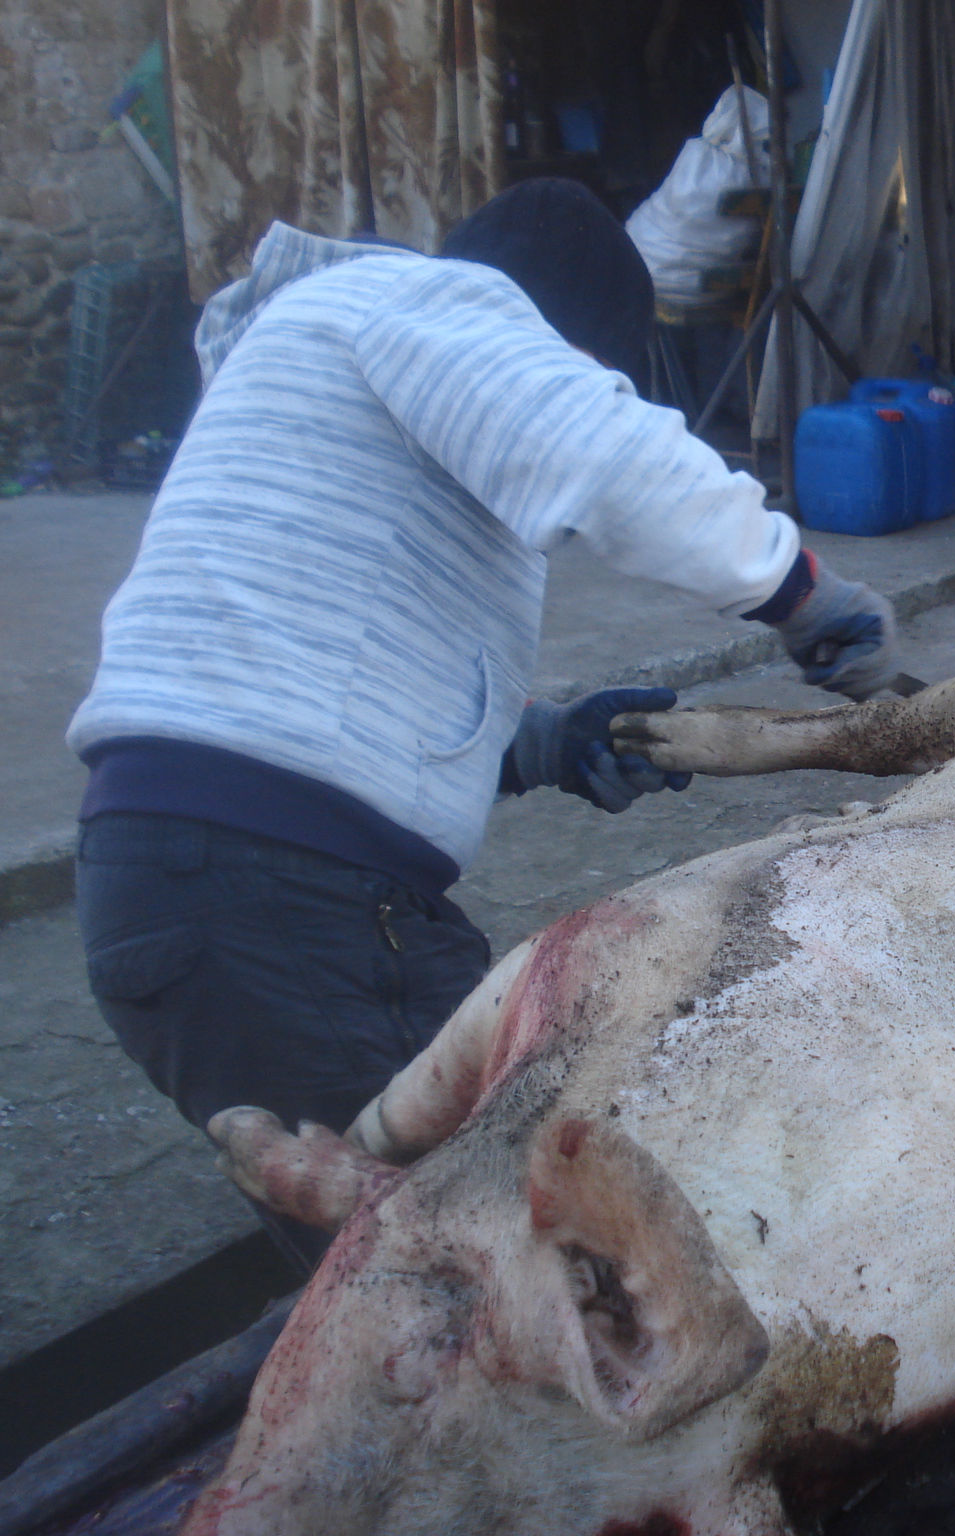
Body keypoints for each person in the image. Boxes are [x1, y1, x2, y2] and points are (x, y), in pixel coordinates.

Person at [67, 180, 897, 1264]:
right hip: (275, 894)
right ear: (550, 341)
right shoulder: (426, 304)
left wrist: (537, 743)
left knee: (433, 1246)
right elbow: (607, 456)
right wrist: (801, 593)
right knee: (500, 1274)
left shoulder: (348, 350)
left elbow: (326, 659)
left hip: (199, 880)